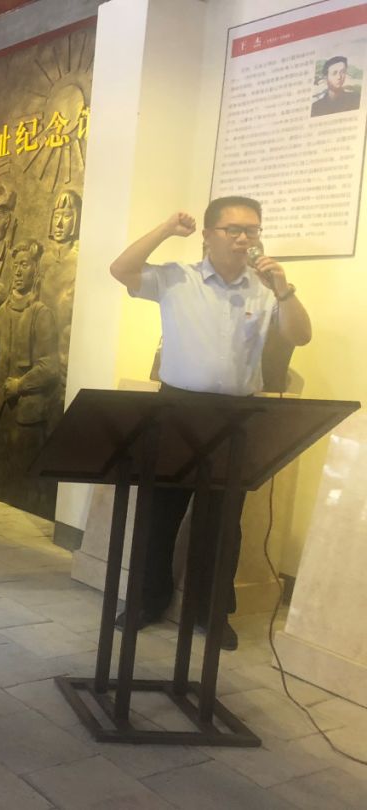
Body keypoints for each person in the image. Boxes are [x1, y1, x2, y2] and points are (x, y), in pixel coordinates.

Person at [108, 196, 312, 650]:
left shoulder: (265, 289)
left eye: (252, 230)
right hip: (177, 407)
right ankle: (147, 599)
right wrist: (165, 228)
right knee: (160, 511)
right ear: (207, 235)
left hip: (236, 414)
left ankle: (211, 610)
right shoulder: (177, 278)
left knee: (222, 521)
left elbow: (300, 335)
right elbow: (120, 269)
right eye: (233, 229)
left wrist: (284, 288)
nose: (244, 238)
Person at [0, 239, 59, 517]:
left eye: (25, 265)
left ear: (35, 271)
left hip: (26, 419)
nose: (18, 270)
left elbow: (50, 365)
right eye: (15, 265)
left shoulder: (41, 314)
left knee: (21, 490)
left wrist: (21, 384)